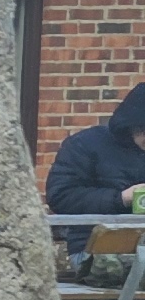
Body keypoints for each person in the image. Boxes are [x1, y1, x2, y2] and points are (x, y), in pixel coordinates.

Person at [45, 83, 145, 219]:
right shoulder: (85, 144)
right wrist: (122, 198)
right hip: (95, 235)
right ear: (132, 125)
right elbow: (61, 197)